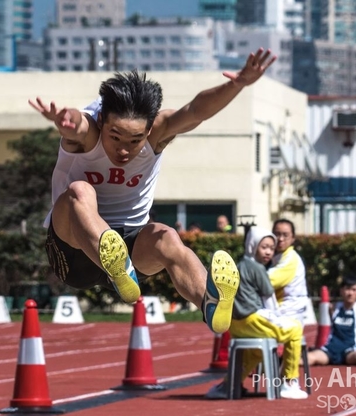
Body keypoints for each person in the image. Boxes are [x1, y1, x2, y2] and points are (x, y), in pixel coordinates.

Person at [29, 48, 276, 335]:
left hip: (131, 249)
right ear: (102, 122)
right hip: (73, 249)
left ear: (147, 132)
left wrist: (237, 84)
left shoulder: (158, 130)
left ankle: (210, 301)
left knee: (168, 237)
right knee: (79, 192)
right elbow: (77, 124)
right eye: (115, 137)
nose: (123, 149)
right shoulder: (89, 130)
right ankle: (116, 262)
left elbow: (195, 111)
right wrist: (66, 120)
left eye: (135, 140)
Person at [206, 227, 308, 400]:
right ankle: (290, 382)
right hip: (253, 320)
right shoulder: (257, 268)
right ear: (253, 246)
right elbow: (269, 298)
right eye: (264, 247)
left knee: (256, 352)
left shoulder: (238, 266)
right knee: (295, 329)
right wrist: (277, 317)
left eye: (271, 248)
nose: (268, 252)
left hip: (236, 325)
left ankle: (229, 385)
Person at [267, 219, 309, 326]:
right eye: (277, 234)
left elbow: (268, 281)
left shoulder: (290, 258)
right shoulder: (277, 257)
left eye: (285, 235)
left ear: (293, 238)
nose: (280, 239)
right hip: (281, 312)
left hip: (288, 315)